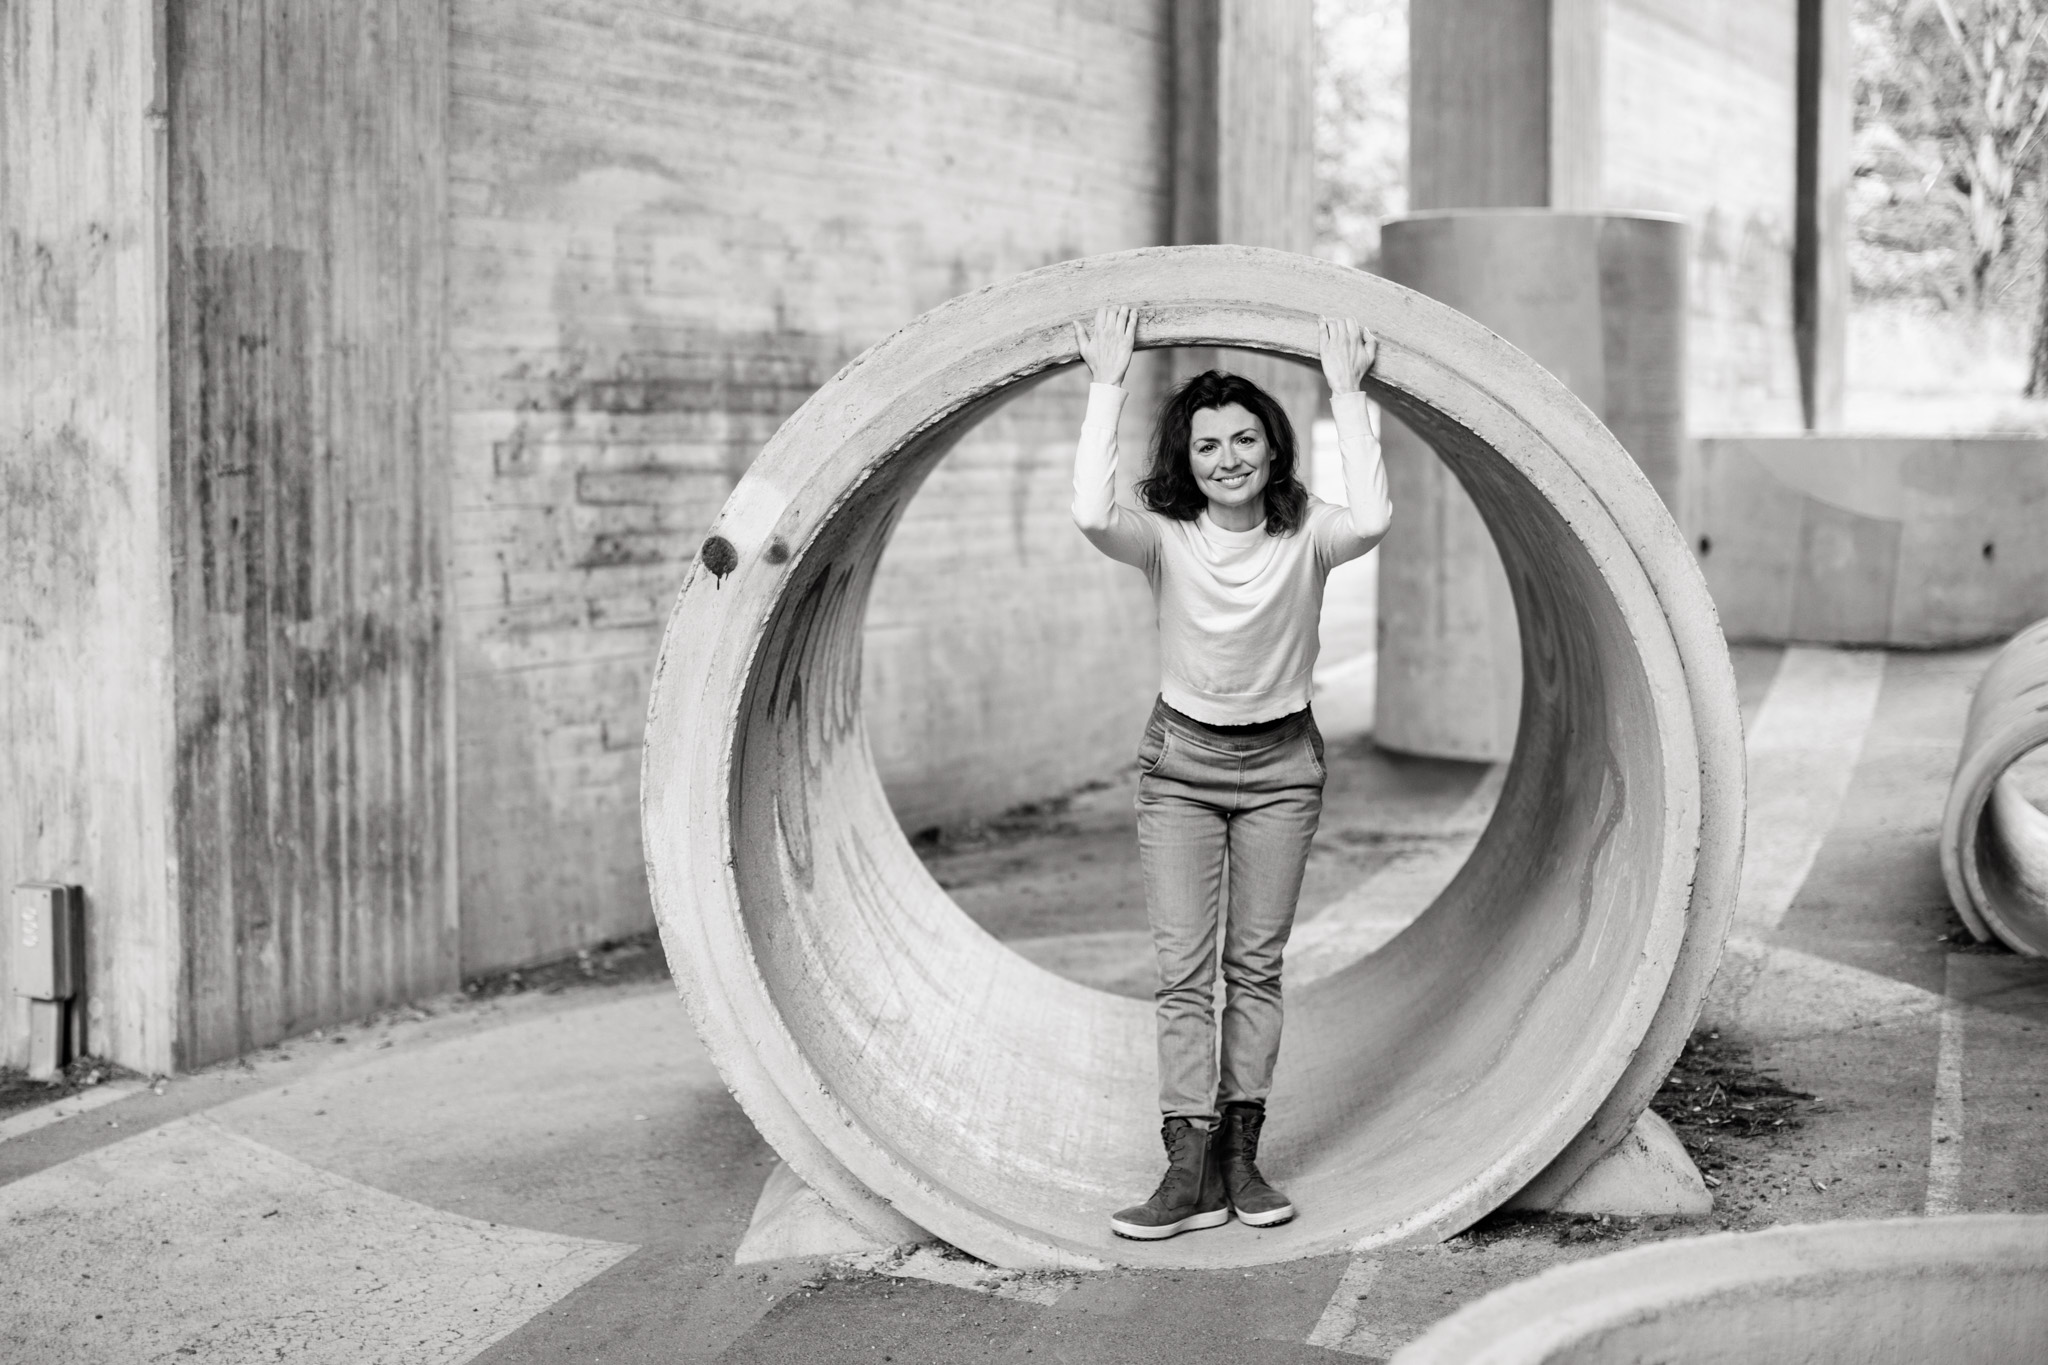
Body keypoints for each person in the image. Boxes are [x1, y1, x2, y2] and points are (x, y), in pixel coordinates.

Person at [1069, 306, 1391, 1240]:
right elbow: (1092, 510)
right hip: (1182, 766)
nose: (1227, 457)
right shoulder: (1165, 535)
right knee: (1183, 971)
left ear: (1273, 446)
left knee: (1254, 967)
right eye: (1208, 443)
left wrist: (1347, 391)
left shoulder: (1310, 532)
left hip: (1284, 767)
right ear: (1187, 455)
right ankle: (1185, 1165)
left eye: (1245, 437)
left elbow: (1372, 514)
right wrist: (1107, 384)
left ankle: (1242, 1157)